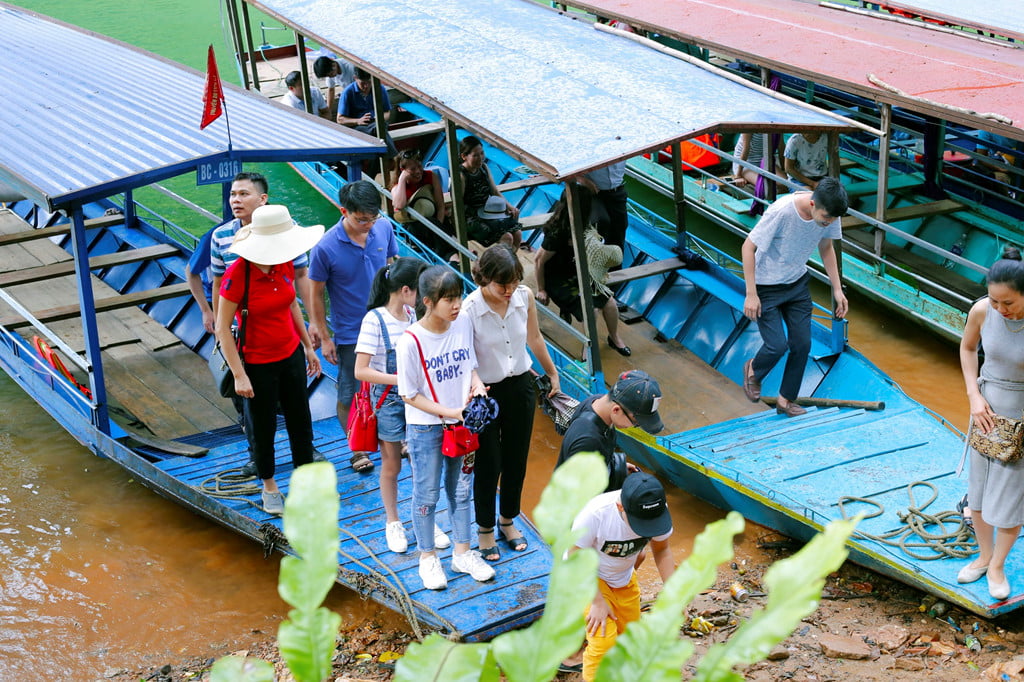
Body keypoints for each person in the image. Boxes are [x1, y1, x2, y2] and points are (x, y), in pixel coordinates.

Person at [214, 205, 324, 516]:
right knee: (261, 427)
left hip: (289, 354)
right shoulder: (238, 275)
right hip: (257, 362)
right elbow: (223, 327)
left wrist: (307, 346)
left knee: (300, 420)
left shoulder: (284, 265)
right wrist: (239, 374)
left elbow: (292, 307)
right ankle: (270, 485)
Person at [396, 265, 494, 590]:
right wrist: (451, 411)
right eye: (448, 299)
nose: (456, 305)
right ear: (427, 301)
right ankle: (428, 558)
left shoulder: (462, 322)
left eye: (458, 297)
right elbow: (408, 394)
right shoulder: (411, 342)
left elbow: (470, 365)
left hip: (463, 424)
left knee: (462, 490)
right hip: (427, 428)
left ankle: (463, 553)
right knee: (426, 493)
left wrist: (477, 386)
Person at [462, 244, 561, 561]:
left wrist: (551, 372)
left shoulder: (524, 297)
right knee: (489, 462)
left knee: (517, 458)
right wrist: (475, 384)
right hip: (485, 393)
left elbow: (534, 338)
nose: (509, 291)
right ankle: (485, 529)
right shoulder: (469, 309)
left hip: (520, 385)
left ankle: (508, 520)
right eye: (502, 285)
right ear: (484, 279)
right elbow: (466, 360)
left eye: (514, 283)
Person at [353, 258, 453, 553]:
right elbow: (361, 370)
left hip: (417, 399)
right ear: (406, 289)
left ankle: (424, 519)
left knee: (423, 463)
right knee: (392, 464)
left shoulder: (412, 314)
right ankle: (393, 521)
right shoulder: (375, 320)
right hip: (389, 401)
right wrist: (400, 379)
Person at [309, 181, 399, 473]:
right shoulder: (326, 247)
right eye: (362, 219)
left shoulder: (383, 229)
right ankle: (357, 447)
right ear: (343, 210)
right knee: (350, 391)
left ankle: (394, 438)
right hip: (351, 331)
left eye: (372, 218)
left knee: (390, 384)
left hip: (387, 324)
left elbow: (390, 268)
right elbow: (315, 293)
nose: (368, 225)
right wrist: (324, 335)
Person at [741, 177, 849, 417]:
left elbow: (826, 248)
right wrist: (751, 294)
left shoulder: (830, 211)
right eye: (826, 219)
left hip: (797, 284)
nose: (829, 223)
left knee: (802, 344)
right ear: (812, 204)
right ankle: (753, 370)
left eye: (832, 220)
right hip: (766, 286)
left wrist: (837, 288)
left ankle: (785, 400)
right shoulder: (781, 212)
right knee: (776, 345)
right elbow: (748, 247)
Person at [956, 247, 1024, 601]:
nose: (1000, 309)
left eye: (1008, 303)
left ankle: (998, 564)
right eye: (995, 300)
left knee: (1011, 499)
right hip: (986, 409)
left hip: (1022, 414)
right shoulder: (982, 310)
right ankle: (983, 556)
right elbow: (968, 350)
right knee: (979, 493)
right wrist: (973, 396)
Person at [572, 471, 675, 681]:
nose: (646, 530)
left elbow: (662, 550)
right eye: (640, 523)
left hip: (623, 578)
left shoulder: (656, 510)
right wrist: (597, 602)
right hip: (589, 578)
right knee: (603, 642)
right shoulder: (595, 513)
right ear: (621, 507)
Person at [535, 189, 631, 356]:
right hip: (557, 279)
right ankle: (588, 351)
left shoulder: (586, 225)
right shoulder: (557, 231)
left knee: (610, 303)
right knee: (591, 309)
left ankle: (614, 338)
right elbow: (538, 261)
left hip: (577, 274)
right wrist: (541, 289)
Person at [556, 370, 664, 491]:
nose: (634, 426)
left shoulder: (596, 403)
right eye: (635, 423)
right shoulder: (588, 441)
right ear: (616, 410)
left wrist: (616, 468)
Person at [457, 135, 522, 248]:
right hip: (472, 216)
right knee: (507, 238)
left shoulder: (484, 168)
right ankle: (503, 262)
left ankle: (509, 261)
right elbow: (459, 204)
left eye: (482, 153)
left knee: (517, 234)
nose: (480, 158)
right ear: (464, 156)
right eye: (475, 155)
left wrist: (509, 207)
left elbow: (495, 192)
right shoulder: (461, 175)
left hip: (488, 210)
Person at [391, 149, 447, 255]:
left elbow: (440, 207)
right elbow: (399, 205)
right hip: (413, 226)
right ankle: (452, 252)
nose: (418, 171)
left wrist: (437, 229)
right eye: (412, 169)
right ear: (403, 170)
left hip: (434, 221)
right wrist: (402, 179)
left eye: (419, 166)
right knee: (417, 227)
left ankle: (453, 253)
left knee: (439, 222)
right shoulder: (397, 188)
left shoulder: (430, 176)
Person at [337, 67, 398, 156]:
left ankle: (385, 160)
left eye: (369, 82)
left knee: (378, 130)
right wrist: (358, 121)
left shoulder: (380, 89)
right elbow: (340, 119)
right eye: (362, 83)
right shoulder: (348, 92)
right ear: (355, 78)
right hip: (357, 128)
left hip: (377, 124)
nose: (366, 86)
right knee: (378, 131)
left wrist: (378, 119)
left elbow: (387, 112)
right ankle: (394, 157)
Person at [577, 160, 628, 254]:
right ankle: (592, 261)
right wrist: (581, 179)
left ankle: (615, 265)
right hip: (591, 192)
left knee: (619, 229)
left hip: (617, 191)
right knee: (600, 222)